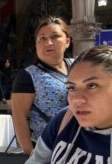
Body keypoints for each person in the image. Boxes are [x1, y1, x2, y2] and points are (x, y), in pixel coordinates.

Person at [11, 16, 73, 154]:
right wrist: (29, 153)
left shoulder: (78, 66)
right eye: (42, 38)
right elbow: (19, 117)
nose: (48, 42)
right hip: (48, 149)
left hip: (82, 144)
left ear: (67, 41)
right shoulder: (28, 75)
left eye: (55, 36)